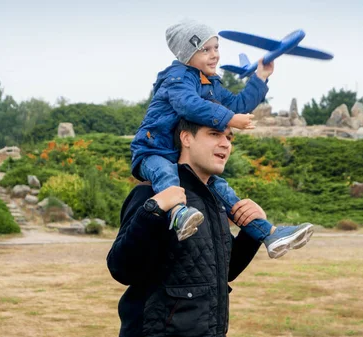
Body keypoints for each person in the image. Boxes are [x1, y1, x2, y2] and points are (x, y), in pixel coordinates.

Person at [130, 19, 313, 259]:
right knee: (166, 176)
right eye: (205, 50)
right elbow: (188, 105)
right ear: (187, 54)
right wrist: (229, 118)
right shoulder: (177, 78)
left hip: (178, 155)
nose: (214, 55)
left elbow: (238, 105)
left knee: (223, 190)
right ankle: (178, 214)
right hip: (153, 150)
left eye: (216, 47)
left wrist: (259, 78)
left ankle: (269, 234)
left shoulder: (210, 83)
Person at [108, 119, 276, 337]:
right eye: (215, 134)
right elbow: (121, 270)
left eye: (229, 137)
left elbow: (223, 270)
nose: (225, 143)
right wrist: (153, 210)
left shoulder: (215, 200)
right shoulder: (151, 194)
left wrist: (250, 232)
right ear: (186, 138)